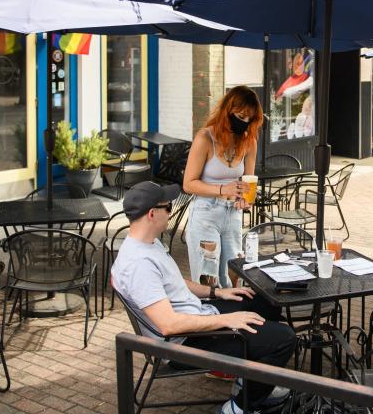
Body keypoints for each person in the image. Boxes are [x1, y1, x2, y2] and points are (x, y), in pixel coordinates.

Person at [112, 182, 296, 414]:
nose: (171, 212)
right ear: (152, 214)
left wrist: (217, 292)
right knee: (284, 339)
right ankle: (238, 408)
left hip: (196, 316)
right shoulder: (139, 265)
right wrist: (227, 320)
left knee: (263, 300)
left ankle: (251, 378)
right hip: (184, 343)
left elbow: (174, 283)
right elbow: (168, 325)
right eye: (168, 207)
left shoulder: (147, 244)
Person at [184, 85, 262, 289]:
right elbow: (188, 184)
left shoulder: (249, 141)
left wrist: (247, 198)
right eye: (241, 116)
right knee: (208, 278)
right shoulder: (205, 138)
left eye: (249, 119)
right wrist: (222, 189)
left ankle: (232, 319)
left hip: (233, 214)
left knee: (234, 274)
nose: (244, 122)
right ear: (228, 110)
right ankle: (209, 319)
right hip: (205, 213)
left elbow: (248, 180)